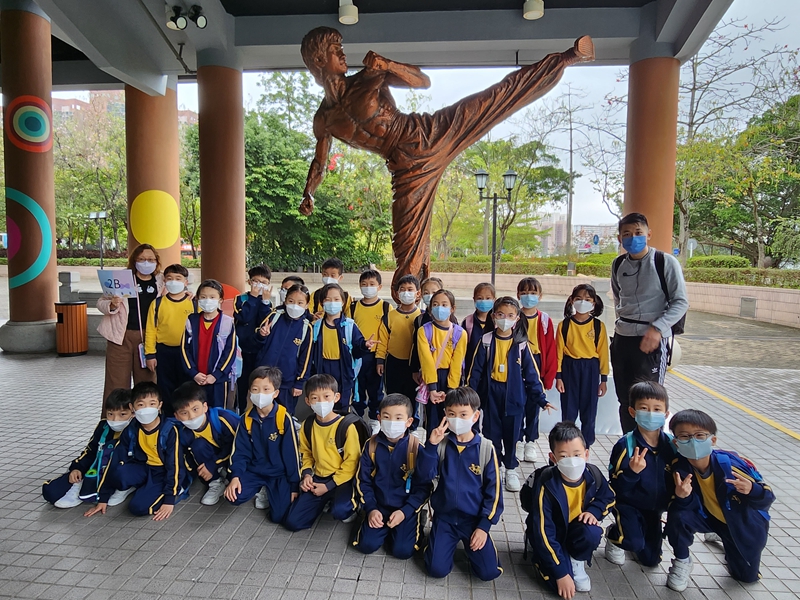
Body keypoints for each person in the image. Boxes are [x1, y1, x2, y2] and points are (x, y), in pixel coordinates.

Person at [297, 26, 594, 290]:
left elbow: (422, 81)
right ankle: (415, 303)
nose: (343, 54)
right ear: (319, 60)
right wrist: (309, 192)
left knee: (493, 99)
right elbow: (320, 162)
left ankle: (566, 58)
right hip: (405, 166)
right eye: (336, 50)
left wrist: (387, 65)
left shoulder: (368, 77)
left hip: (428, 133)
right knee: (407, 246)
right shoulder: (324, 119)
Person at [664, 409, 774, 591]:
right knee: (678, 514)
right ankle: (682, 560)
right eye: (684, 436)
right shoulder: (679, 468)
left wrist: (752, 490)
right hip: (709, 517)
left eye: (700, 435)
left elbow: (767, 498)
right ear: (676, 442)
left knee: (746, 577)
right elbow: (683, 507)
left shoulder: (730, 466)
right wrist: (682, 497)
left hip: (741, 525)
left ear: (712, 440)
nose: (693, 441)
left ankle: (727, 537)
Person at [611, 212, 688, 433]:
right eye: (627, 234)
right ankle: (629, 442)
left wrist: (658, 328)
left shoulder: (665, 262)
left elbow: (681, 302)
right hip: (623, 339)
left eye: (638, 232)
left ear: (649, 234)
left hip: (652, 341)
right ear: (620, 238)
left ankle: (652, 445)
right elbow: (618, 298)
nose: (633, 238)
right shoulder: (618, 264)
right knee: (625, 400)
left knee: (649, 400)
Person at [416, 387, 503, 581]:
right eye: (451, 414)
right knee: (436, 570)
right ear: (445, 415)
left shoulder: (486, 448)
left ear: (475, 416)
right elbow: (423, 476)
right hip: (445, 518)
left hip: (473, 521)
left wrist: (483, 527)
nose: (457, 419)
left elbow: (495, 493)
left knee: (489, 572)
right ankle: (437, 542)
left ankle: (478, 546)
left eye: (463, 414)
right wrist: (431, 446)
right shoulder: (441, 444)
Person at [468, 297, 553, 492]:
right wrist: (470, 397)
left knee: (513, 433)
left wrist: (541, 399)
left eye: (510, 315)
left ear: (517, 318)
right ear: (493, 316)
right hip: (491, 395)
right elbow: (475, 372)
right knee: (492, 433)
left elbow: (531, 374)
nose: (504, 319)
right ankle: (496, 466)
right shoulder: (486, 341)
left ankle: (511, 468)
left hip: (514, 396)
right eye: (500, 314)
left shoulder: (521, 344)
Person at [525, 421, 615, 599]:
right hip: (553, 534)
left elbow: (609, 497)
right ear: (553, 458)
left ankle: (576, 560)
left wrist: (594, 511)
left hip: (575, 530)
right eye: (564, 456)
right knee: (557, 584)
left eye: (577, 454)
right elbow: (544, 530)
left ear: (586, 454)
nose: (572, 461)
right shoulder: (546, 483)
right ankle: (541, 553)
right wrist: (560, 573)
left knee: (592, 531)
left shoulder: (593, 475)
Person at [86, 382, 189, 520]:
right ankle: (141, 486)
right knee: (118, 472)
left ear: (160, 405)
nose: (146, 409)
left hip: (163, 472)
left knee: (138, 508)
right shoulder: (131, 429)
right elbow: (115, 460)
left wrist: (169, 500)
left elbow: (174, 465)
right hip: (143, 468)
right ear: (132, 407)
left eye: (152, 404)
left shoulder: (169, 430)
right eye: (141, 404)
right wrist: (103, 498)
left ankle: (176, 488)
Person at [352, 394, 432, 558]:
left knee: (402, 551)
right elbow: (363, 481)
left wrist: (406, 511)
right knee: (366, 545)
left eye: (398, 418)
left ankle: (416, 520)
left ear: (409, 421)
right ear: (379, 418)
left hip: (405, 507)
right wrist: (371, 509)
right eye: (387, 417)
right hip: (378, 505)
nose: (392, 422)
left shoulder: (416, 448)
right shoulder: (371, 445)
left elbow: (424, 486)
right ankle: (374, 522)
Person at [605, 381, 675, 567]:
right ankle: (614, 535)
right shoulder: (625, 445)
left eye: (657, 409)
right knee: (632, 542)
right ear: (632, 412)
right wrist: (632, 472)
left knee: (651, 560)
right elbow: (614, 487)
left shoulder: (672, 445)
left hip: (654, 510)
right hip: (628, 505)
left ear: (666, 414)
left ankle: (635, 532)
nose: (651, 413)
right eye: (644, 408)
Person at [283, 374, 363, 531]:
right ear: (307, 401)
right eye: (315, 398)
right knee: (293, 522)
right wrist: (307, 474)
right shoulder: (308, 425)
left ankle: (347, 505)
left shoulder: (346, 427)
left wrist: (329, 486)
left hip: (343, 479)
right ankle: (325, 501)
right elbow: (305, 453)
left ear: (336, 397)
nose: (321, 402)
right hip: (318, 477)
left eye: (326, 397)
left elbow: (352, 462)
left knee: (340, 511)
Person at [225, 367, 301, 523]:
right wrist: (235, 477)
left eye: (266, 389)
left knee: (279, 516)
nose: (260, 394)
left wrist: (294, 486)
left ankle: (270, 490)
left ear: (275, 393)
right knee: (234, 497)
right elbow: (240, 452)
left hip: (279, 473)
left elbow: (292, 455)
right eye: (255, 389)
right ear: (250, 392)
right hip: (255, 471)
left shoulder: (283, 418)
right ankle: (261, 488)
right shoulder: (246, 419)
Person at [43, 388, 135, 508]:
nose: (115, 419)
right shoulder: (103, 427)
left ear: (133, 413)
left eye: (122, 414)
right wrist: (77, 468)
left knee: (119, 473)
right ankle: (81, 485)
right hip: (97, 468)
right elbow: (90, 451)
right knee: (51, 491)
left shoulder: (137, 429)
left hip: (120, 472)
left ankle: (124, 488)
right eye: (110, 414)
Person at [97, 243, 162, 402]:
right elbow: (101, 302)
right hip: (120, 336)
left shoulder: (162, 280)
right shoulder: (121, 279)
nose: (146, 263)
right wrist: (112, 304)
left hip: (149, 338)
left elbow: (177, 294)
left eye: (150, 259)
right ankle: (115, 416)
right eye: (141, 259)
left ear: (156, 261)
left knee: (147, 383)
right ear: (134, 261)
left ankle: (146, 415)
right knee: (116, 383)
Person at [555, 284, 609, 448]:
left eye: (587, 299)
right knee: (569, 410)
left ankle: (586, 447)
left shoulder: (598, 326)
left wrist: (604, 379)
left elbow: (603, 353)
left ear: (593, 303)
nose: (582, 302)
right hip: (569, 368)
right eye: (578, 298)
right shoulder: (564, 325)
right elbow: (558, 353)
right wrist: (558, 376)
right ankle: (567, 445)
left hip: (591, 369)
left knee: (589, 411)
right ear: (572, 300)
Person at [309, 283, 376, 413]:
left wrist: (364, 345)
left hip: (343, 369)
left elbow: (357, 350)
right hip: (323, 368)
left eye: (336, 299)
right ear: (322, 303)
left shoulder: (350, 326)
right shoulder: (316, 327)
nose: (332, 303)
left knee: (342, 404)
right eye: (328, 299)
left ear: (343, 302)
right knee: (323, 401)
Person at [172, 381, 240, 506]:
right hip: (216, 460)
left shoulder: (223, 419)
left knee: (239, 494)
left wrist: (212, 464)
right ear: (176, 416)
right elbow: (185, 459)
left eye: (195, 409)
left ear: (205, 407)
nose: (191, 416)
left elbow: (237, 447)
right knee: (198, 446)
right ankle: (216, 482)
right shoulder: (183, 432)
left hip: (234, 458)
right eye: (184, 413)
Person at [255, 284, 314, 415]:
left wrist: (299, 382)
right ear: (285, 300)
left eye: (300, 303)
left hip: (287, 381)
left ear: (307, 305)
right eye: (291, 301)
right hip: (263, 377)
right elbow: (257, 339)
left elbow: (306, 358)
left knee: (284, 414)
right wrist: (262, 335)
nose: (295, 306)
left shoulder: (307, 328)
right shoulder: (274, 316)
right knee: (261, 412)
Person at [144, 263, 195, 415]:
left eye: (178, 278)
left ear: (186, 282)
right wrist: (150, 355)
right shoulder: (157, 303)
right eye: (169, 278)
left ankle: (186, 416)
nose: (173, 281)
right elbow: (151, 330)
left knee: (186, 386)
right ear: (164, 281)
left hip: (187, 352)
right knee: (165, 387)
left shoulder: (193, 302)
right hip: (164, 352)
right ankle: (167, 417)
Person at [516, 277, 557, 464]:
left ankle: (530, 441)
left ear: (540, 295)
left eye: (533, 293)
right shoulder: (514, 316)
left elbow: (550, 350)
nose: (528, 296)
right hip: (518, 363)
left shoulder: (545, 320)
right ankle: (517, 440)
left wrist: (548, 378)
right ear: (518, 295)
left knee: (534, 406)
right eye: (524, 293)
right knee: (518, 405)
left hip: (537, 363)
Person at [181, 279, 238, 409]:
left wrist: (216, 375)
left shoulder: (227, 322)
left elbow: (230, 351)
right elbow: (184, 349)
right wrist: (193, 373)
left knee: (217, 413)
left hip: (218, 380)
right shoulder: (192, 320)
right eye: (203, 297)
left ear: (220, 300)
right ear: (197, 299)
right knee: (196, 410)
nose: (207, 300)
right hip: (196, 378)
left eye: (212, 297)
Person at [416, 290, 467, 436]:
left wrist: (451, 391)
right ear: (430, 308)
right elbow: (426, 361)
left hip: (451, 379)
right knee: (432, 421)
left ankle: (449, 448)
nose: (440, 308)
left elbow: (457, 363)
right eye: (436, 304)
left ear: (452, 308)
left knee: (452, 418)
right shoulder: (424, 331)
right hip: (432, 378)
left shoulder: (460, 333)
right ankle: (432, 447)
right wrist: (432, 389)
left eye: (444, 305)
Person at [376, 275, 422, 426]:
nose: (406, 293)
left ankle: (411, 426)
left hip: (413, 365)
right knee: (393, 396)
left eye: (410, 289)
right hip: (393, 363)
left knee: (412, 397)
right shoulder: (389, 317)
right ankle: (394, 423)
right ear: (397, 293)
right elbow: (382, 341)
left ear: (418, 293)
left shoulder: (422, 317)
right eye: (402, 289)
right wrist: (380, 360)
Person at [350, 269, 393, 429]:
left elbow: (388, 334)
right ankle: (357, 418)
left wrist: (381, 359)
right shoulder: (353, 307)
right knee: (358, 388)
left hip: (376, 357)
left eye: (372, 284)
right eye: (364, 284)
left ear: (379, 286)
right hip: (358, 355)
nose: (368, 287)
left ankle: (375, 419)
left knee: (376, 390)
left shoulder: (386, 307)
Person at [234, 264, 274, 413]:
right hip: (242, 349)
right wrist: (253, 297)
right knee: (242, 383)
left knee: (258, 382)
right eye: (256, 281)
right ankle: (240, 410)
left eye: (264, 282)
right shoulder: (241, 299)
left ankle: (258, 411)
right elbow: (244, 317)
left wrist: (264, 302)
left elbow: (264, 321)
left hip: (259, 349)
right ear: (249, 281)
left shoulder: (267, 302)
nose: (260, 285)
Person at [462, 282, 496, 377]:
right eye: (480, 298)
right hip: (471, 370)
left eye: (488, 298)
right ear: (474, 299)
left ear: (494, 300)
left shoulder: (498, 322)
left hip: (492, 371)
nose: (484, 301)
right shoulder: (468, 322)